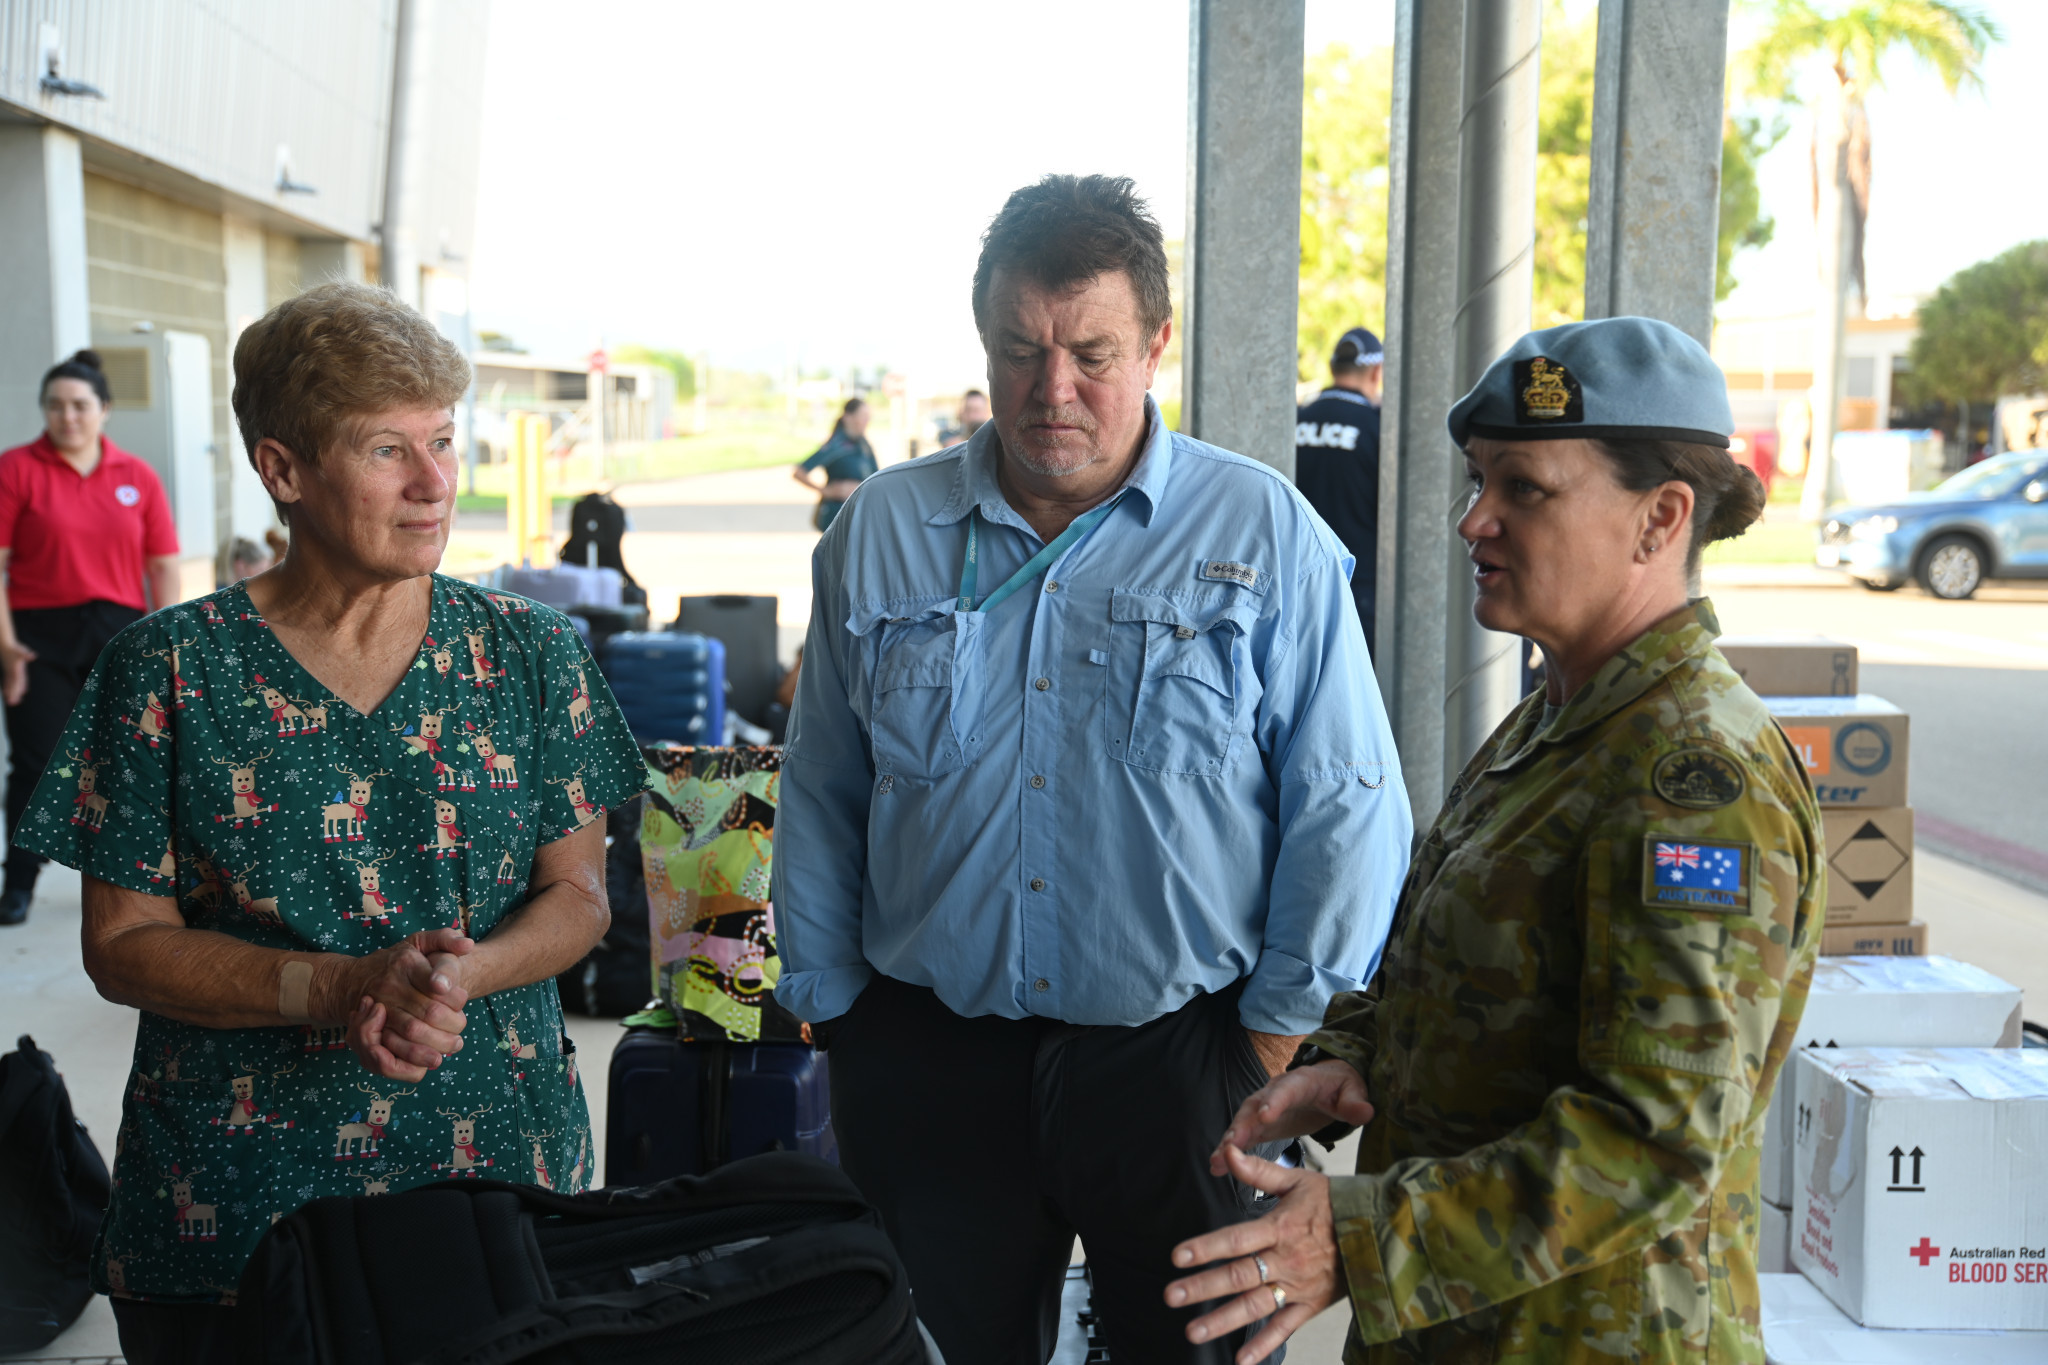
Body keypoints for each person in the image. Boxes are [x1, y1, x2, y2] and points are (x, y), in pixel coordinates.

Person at [773, 173, 1411, 1364]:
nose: (1050, 389)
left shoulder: (1258, 534)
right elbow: (820, 787)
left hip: (1182, 1067)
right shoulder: (881, 533)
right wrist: (834, 1014)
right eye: (1019, 350)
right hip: (928, 1060)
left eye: (1091, 353)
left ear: (1157, 343)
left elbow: (1349, 804)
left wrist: (1269, 1044)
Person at [1163, 318, 1825, 1365]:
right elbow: (1483, 973)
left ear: (1659, 518)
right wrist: (1354, 1056)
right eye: (1477, 481)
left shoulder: (1691, 780)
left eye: (1524, 489)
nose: (1473, 521)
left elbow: (1651, 1139)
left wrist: (1359, 1236)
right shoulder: (1562, 716)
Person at [13, 282, 646, 1363]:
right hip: (232, 1217)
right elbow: (121, 946)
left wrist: (448, 982)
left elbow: (579, 898)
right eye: (387, 450)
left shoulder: (531, 655)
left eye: (444, 440)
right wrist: (343, 986)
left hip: (488, 1187)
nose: (435, 483)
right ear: (283, 470)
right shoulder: (165, 670)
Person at [0, 350, 181, 926]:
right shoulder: (15, 469)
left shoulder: (137, 475)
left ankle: (141, 884)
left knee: (132, 764)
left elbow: (163, 567)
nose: (68, 416)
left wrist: (172, 648)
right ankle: (19, 881)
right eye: (56, 405)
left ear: (103, 410)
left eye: (80, 405)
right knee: (35, 763)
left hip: (118, 633)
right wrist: (7, 648)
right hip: (37, 638)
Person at [1294, 328, 1383, 655]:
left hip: (1298, 587)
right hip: (1360, 590)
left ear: (1333, 369)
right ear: (1376, 373)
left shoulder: (1296, 419)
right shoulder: (1378, 427)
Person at [792, 397, 877, 531]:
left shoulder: (864, 445)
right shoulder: (835, 446)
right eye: (863, 416)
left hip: (860, 516)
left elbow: (875, 476)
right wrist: (826, 491)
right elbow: (799, 472)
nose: (867, 422)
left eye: (868, 417)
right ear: (848, 417)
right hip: (836, 518)